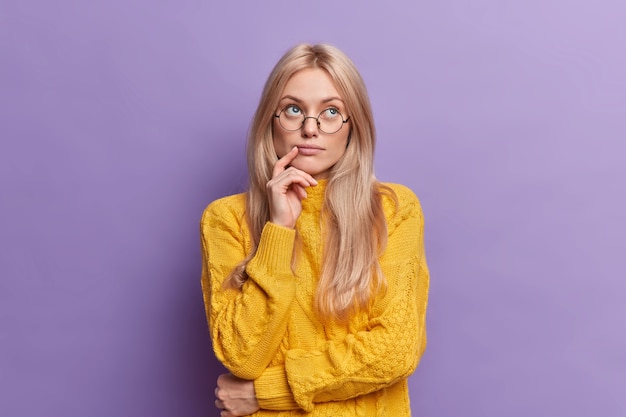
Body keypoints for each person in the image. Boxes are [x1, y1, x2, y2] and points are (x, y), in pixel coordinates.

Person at [200, 43, 429, 417]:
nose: (310, 129)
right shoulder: (226, 219)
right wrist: (279, 229)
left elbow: (396, 349)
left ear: (353, 126)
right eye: (293, 109)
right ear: (269, 122)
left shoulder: (393, 210)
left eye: (331, 112)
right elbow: (241, 356)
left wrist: (265, 393)